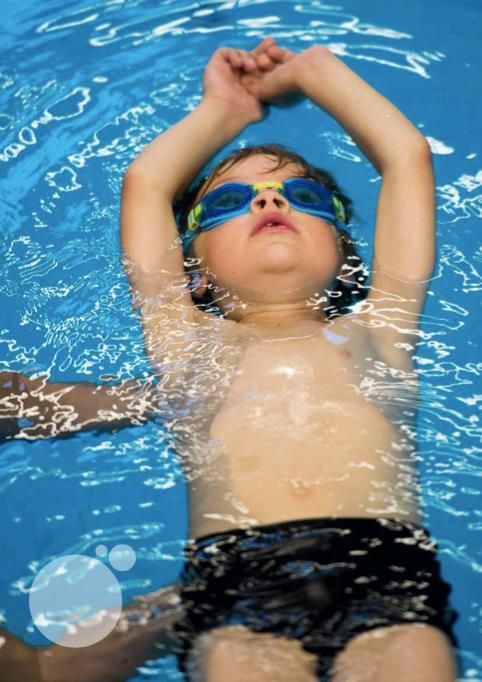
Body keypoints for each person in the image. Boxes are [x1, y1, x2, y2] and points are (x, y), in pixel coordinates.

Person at [0, 36, 460, 681]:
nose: (270, 201)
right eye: (227, 203)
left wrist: (313, 70)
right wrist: (226, 110)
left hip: (388, 574)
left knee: (415, 665)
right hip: (237, 582)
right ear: (194, 273)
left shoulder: (382, 327)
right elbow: (148, 183)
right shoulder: (184, 342)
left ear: (347, 254)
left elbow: (406, 157)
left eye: (303, 197)